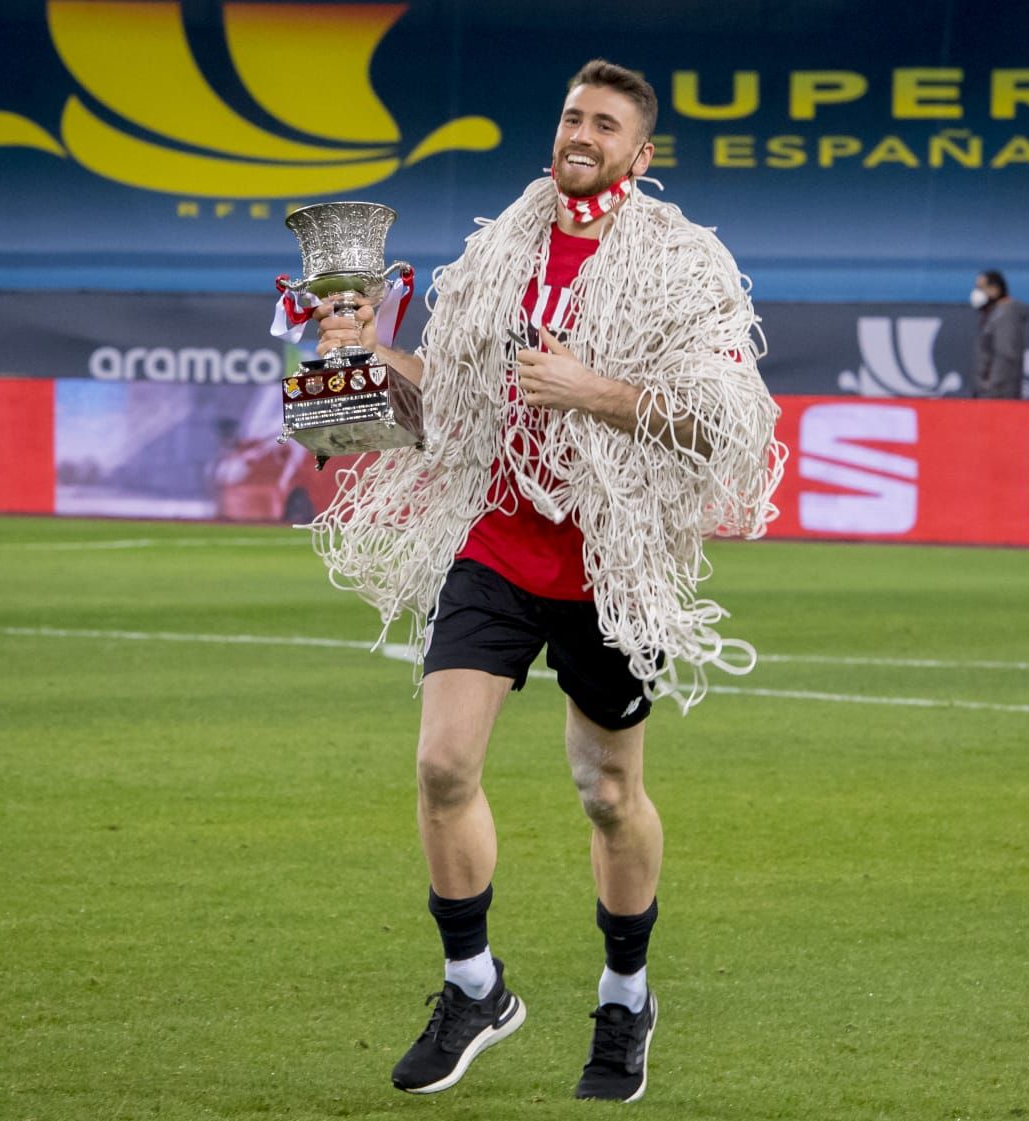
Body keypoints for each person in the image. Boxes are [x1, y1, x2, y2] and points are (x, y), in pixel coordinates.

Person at [308, 59, 783, 1102]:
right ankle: (472, 984)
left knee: (605, 789)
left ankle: (624, 996)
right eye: (572, 114)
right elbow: (459, 409)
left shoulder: (682, 260)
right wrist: (371, 355)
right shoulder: (500, 248)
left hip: (611, 562)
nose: (582, 133)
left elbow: (726, 424)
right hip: (495, 541)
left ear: (639, 152)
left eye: (604, 123)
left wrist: (594, 390)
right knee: (440, 763)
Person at [972, 269, 1027, 398]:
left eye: (981, 288)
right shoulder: (994, 314)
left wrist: (991, 387)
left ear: (995, 289)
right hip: (990, 392)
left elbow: (1005, 355)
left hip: (999, 394)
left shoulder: (1006, 314)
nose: (976, 293)